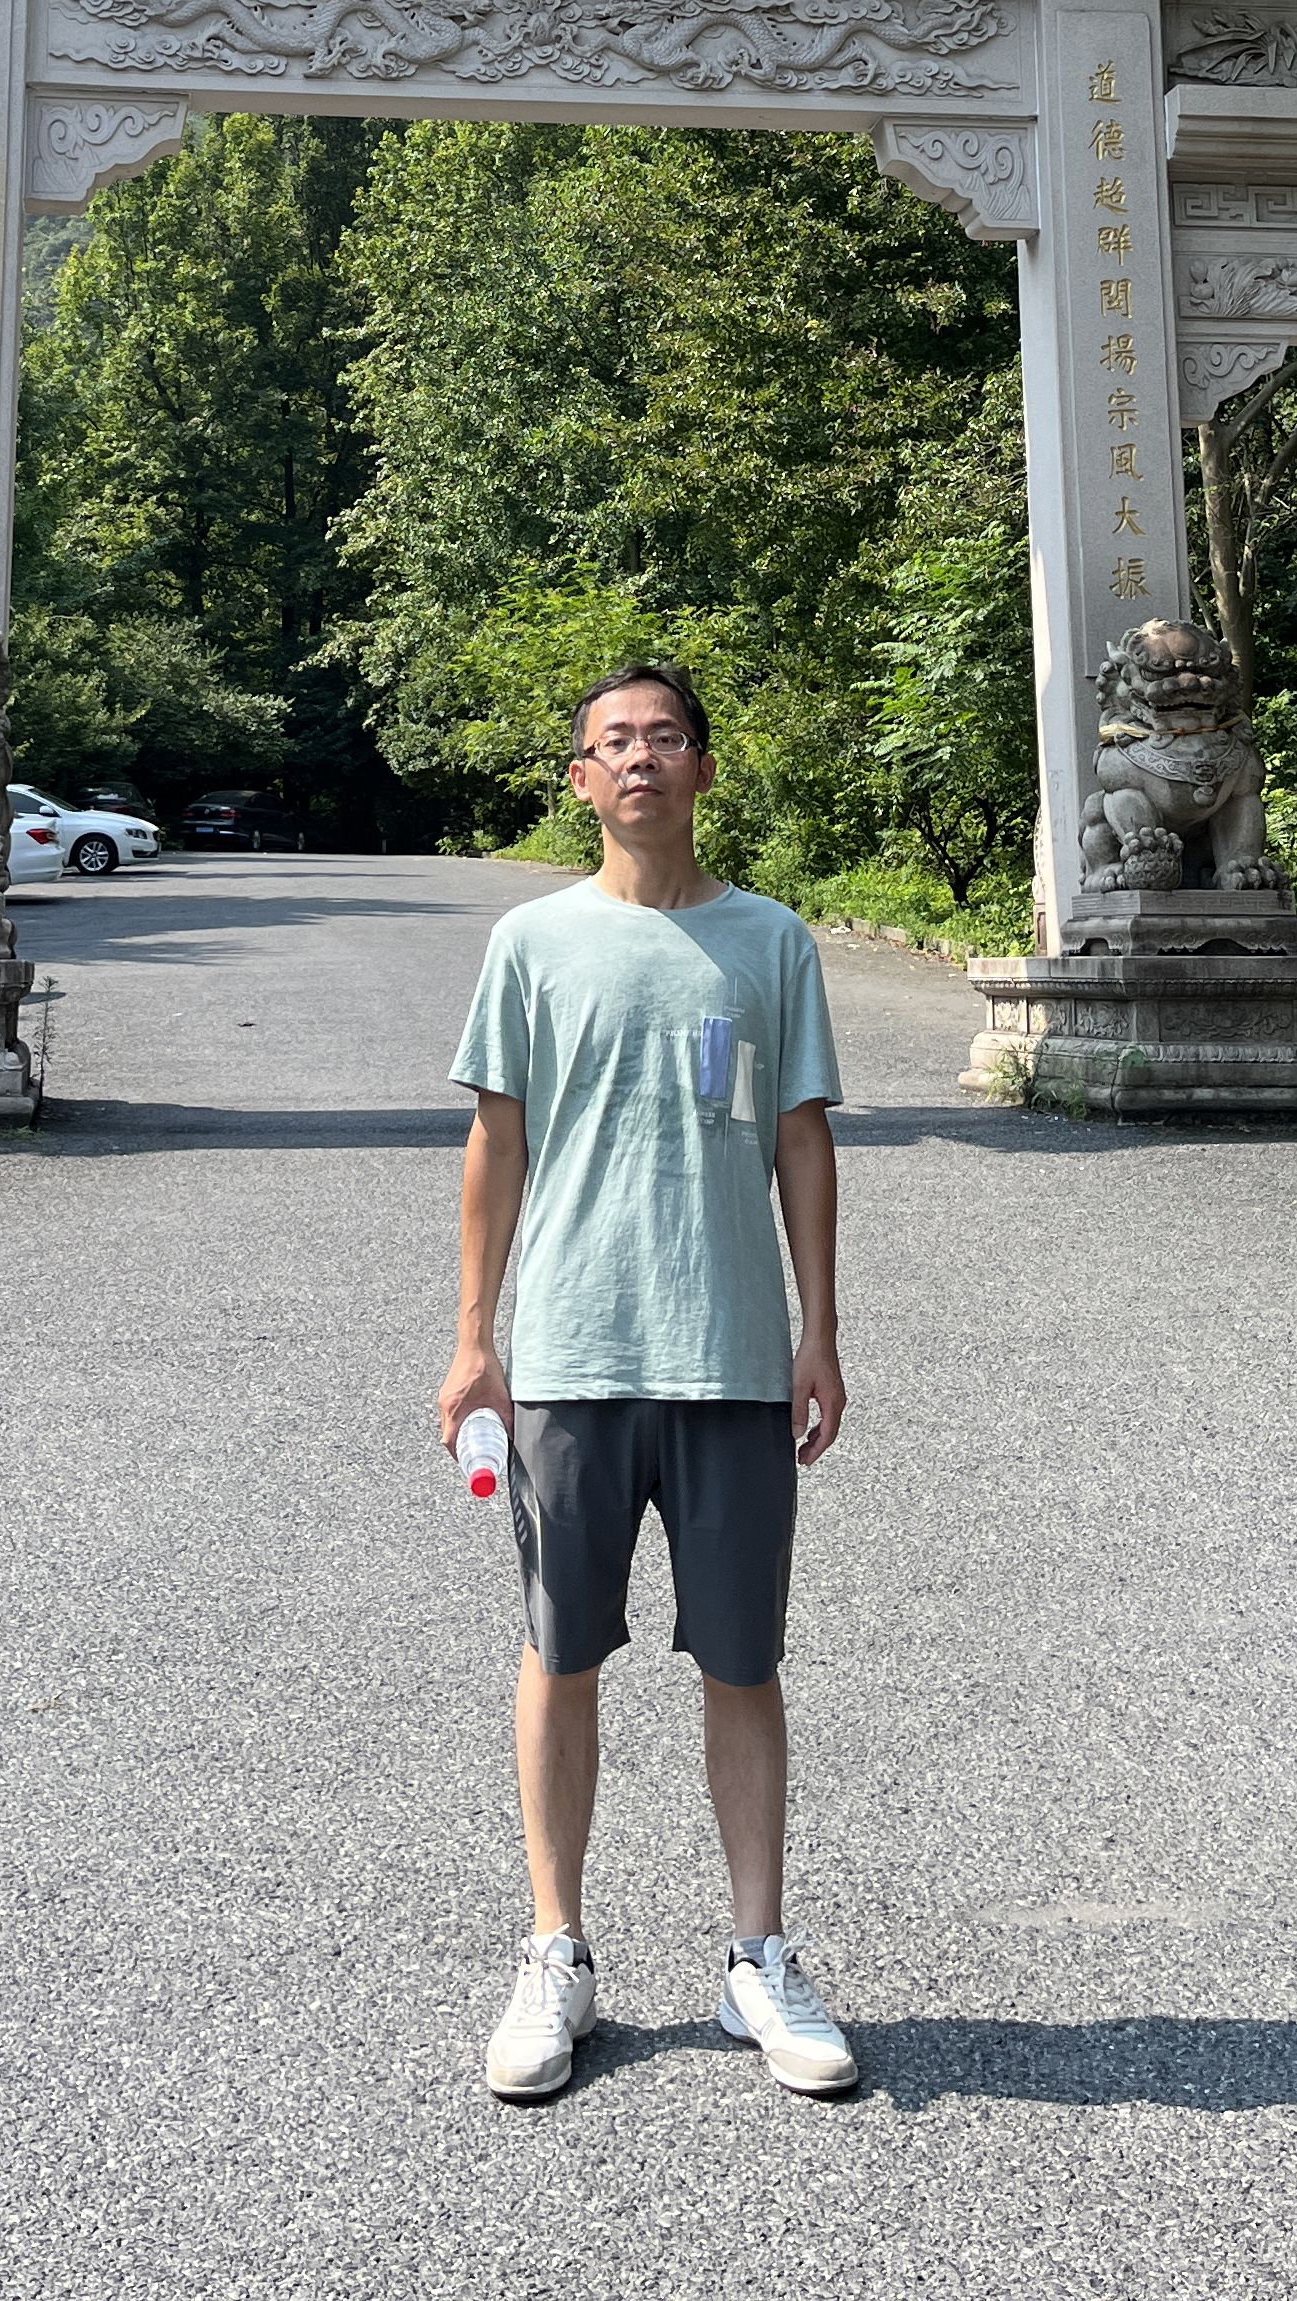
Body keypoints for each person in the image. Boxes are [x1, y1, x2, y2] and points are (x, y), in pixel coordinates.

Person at [439, 662, 856, 2102]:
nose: (640, 759)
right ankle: (555, 1950)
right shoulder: (533, 941)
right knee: (561, 1652)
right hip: (572, 1350)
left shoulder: (772, 941)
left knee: (743, 1658)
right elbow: (496, 1143)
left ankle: (759, 1957)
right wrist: (474, 1337)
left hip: (732, 1352)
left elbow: (802, 1140)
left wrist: (819, 1330)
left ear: (702, 768)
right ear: (579, 779)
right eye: (613, 741)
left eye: (665, 736)